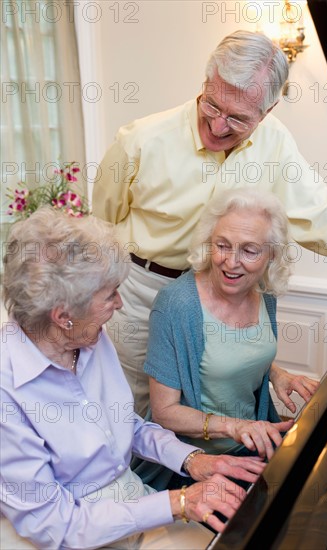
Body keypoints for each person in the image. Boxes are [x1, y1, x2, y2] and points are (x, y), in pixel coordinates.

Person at [92, 30, 327, 416]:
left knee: (213, 410)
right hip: (143, 293)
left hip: (221, 295)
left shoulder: (276, 143)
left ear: (266, 112)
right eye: (213, 106)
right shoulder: (140, 140)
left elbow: (324, 219)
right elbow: (102, 223)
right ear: (205, 83)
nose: (219, 127)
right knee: (137, 409)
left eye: (238, 118)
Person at [0, 207, 268, 550]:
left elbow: (125, 424)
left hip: (131, 499)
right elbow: (57, 525)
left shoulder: (86, 336)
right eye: (110, 294)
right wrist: (178, 502)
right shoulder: (9, 390)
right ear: (63, 316)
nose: (120, 303)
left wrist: (192, 459)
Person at [140, 189, 319, 489]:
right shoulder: (177, 304)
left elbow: (236, 350)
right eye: (222, 245)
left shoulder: (264, 291)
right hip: (195, 462)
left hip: (251, 443)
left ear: (271, 254)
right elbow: (164, 412)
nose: (231, 262)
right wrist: (236, 427)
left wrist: (277, 374)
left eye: (249, 251)